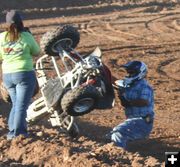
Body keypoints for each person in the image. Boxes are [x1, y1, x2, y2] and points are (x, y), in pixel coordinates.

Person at [0, 10, 40, 140]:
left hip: (7, 75)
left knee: (17, 104)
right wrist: (29, 36)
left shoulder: (2, 37)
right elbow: (36, 51)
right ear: (20, 22)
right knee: (21, 106)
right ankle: (17, 134)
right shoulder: (26, 36)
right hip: (24, 74)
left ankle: (13, 131)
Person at [106, 60, 154, 149]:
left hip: (143, 122)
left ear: (140, 73)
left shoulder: (144, 86)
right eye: (128, 72)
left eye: (131, 73)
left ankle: (118, 157)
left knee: (118, 133)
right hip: (133, 121)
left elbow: (144, 101)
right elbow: (114, 81)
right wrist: (103, 70)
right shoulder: (127, 84)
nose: (128, 75)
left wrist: (127, 102)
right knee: (109, 137)